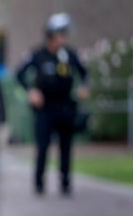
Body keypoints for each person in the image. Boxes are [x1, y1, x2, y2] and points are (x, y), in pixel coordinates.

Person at [16, 12, 89, 196]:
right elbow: (19, 75)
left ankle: (65, 183)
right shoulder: (37, 55)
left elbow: (84, 73)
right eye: (60, 35)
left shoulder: (69, 55)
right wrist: (31, 91)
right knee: (43, 146)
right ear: (50, 36)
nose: (63, 39)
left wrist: (83, 87)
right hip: (45, 109)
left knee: (66, 147)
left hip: (65, 107)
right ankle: (39, 183)